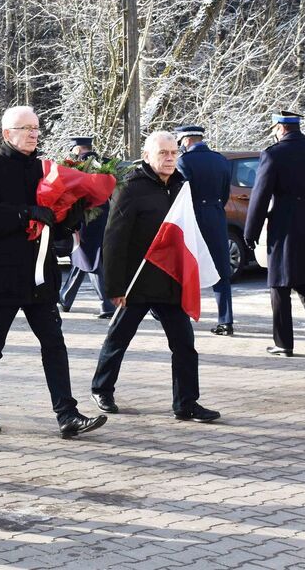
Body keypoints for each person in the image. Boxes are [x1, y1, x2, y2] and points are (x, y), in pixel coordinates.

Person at [0, 105, 107, 437]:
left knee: (54, 344)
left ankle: (67, 414)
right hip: (2, 275)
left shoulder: (47, 171)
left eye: (36, 128)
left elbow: (56, 226)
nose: (33, 133)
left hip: (40, 276)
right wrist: (24, 213)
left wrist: (74, 211)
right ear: (6, 133)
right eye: (25, 128)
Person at [89, 131, 220, 422]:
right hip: (136, 281)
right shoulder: (131, 188)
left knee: (184, 344)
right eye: (163, 153)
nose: (170, 158)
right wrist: (115, 286)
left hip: (169, 279)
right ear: (147, 156)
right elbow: (114, 240)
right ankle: (102, 389)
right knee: (119, 338)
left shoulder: (180, 187)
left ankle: (186, 403)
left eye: (174, 152)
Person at [244, 110, 305, 357]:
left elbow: (260, 195)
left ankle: (284, 342)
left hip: (286, 225)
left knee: (280, 283)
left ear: (280, 128)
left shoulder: (274, 154)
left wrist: (251, 231)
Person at [175, 125, 234, 335]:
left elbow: (183, 193)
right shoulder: (220, 159)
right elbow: (226, 191)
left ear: (186, 140)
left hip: (194, 215)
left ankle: (180, 315)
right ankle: (226, 320)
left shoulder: (184, 161)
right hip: (216, 214)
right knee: (221, 270)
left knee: (186, 266)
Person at [58, 136, 117, 320]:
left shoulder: (78, 166)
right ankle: (65, 298)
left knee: (91, 260)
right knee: (82, 258)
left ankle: (107, 305)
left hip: (85, 218)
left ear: (77, 149)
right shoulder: (106, 163)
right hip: (105, 217)